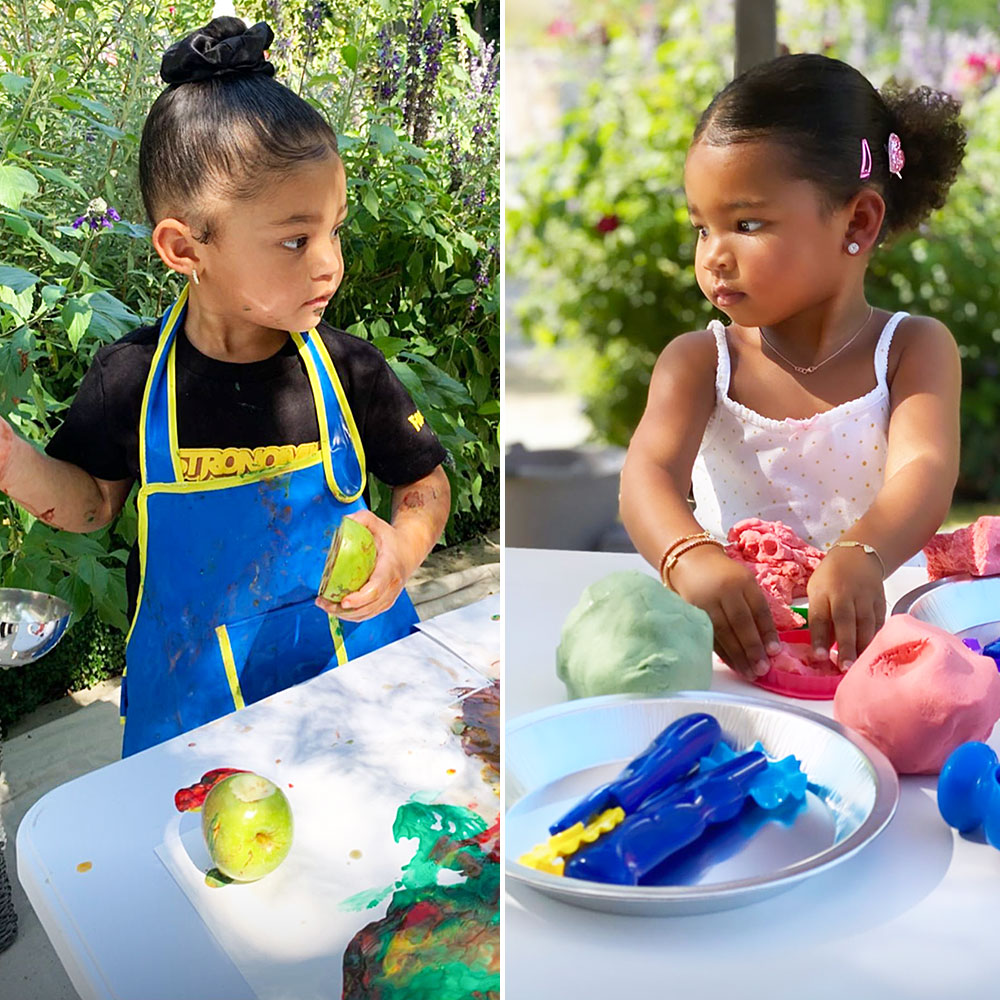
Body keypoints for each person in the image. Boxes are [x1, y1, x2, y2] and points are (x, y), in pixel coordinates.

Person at [0, 17, 452, 756]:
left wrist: (401, 552)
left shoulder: (350, 369)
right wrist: (13, 462)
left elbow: (424, 486)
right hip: (196, 725)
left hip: (356, 699)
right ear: (185, 247)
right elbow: (91, 505)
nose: (330, 262)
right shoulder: (132, 380)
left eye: (334, 229)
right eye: (296, 239)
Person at [620, 53, 966, 682]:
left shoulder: (912, 349)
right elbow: (648, 475)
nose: (714, 256)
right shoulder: (701, 362)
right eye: (702, 228)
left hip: (866, 653)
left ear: (857, 220)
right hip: (733, 652)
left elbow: (925, 468)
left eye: (746, 223)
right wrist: (690, 557)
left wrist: (865, 551)